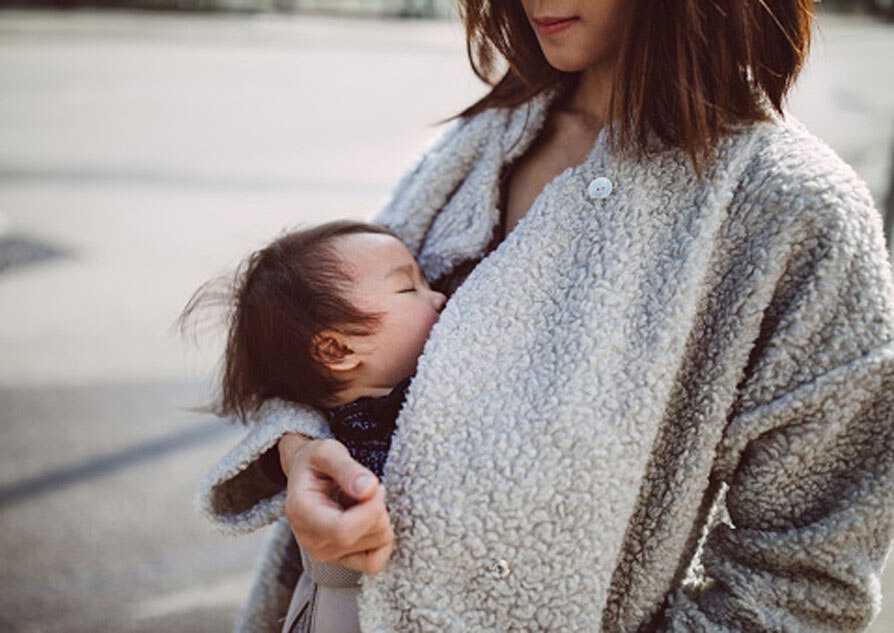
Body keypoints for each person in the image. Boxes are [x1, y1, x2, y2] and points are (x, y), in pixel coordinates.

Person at [196, 1, 894, 631]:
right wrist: (301, 453)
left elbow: (803, 588)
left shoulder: (795, 210)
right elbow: (316, 340)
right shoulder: (489, 135)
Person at [181, 220, 448, 632]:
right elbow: (335, 569)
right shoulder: (350, 457)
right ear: (337, 349)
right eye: (409, 288)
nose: (440, 297)